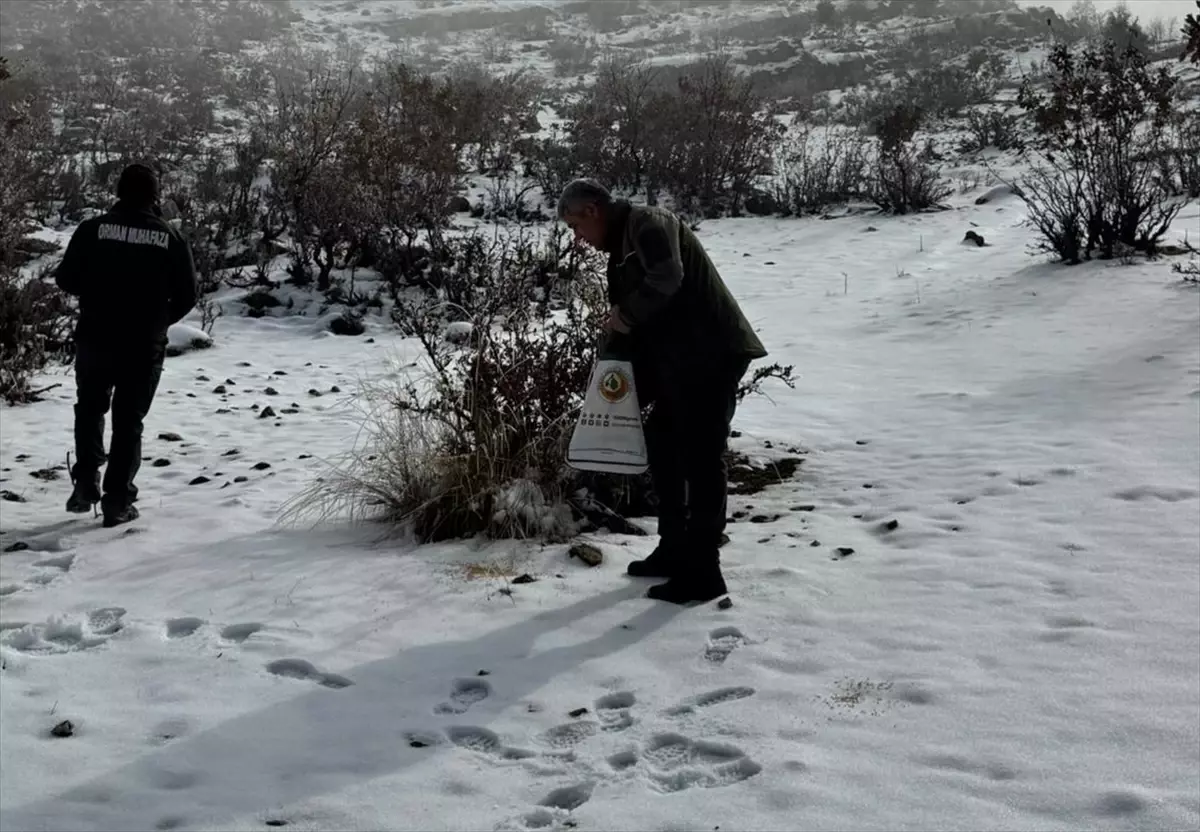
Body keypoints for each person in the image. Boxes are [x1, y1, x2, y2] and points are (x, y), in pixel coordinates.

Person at [558, 179, 768, 604]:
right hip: (683, 359)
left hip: (711, 353)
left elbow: (667, 278)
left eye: (576, 226)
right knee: (663, 444)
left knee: (702, 459)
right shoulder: (621, 244)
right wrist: (611, 371)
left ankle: (704, 572)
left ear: (593, 211)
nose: (577, 239)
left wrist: (627, 317)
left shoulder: (648, 223)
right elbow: (637, 318)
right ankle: (674, 550)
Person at [55, 163, 198, 527]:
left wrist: (97, 292)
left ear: (118, 192)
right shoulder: (170, 237)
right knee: (128, 420)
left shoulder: (92, 230)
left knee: (90, 408)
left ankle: (87, 481)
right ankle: (117, 502)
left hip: (96, 336)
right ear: (155, 195)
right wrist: (158, 322)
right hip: (143, 343)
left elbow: (66, 279)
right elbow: (188, 295)